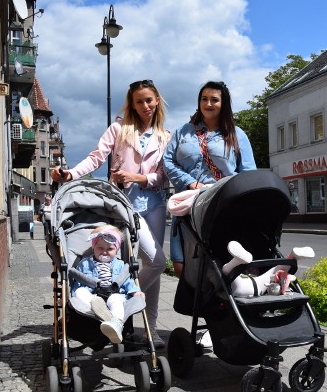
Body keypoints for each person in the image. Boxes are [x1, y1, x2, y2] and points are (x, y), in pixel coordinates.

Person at [51, 79, 168, 348]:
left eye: (149, 100)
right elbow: (96, 157)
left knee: (154, 265)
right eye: (139, 101)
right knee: (155, 261)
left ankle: (150, 328)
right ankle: (124, 301)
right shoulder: (118, 128)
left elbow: (162, 176)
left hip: (155, 205)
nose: (145, 106)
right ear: (132, 104)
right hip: (123, 206)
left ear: (157, 100)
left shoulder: (165, 136)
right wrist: (70, 174)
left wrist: (139, 177)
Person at [163, 81, 257, 277]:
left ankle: (220, 304)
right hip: (187, 203)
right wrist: (190, 182)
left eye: (214, 100)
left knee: (219, 262)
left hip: (222, 204)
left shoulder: (236, 134)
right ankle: (195, 305)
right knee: (182, 267)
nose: (208, 104)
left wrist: (225, 189)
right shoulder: (183, 132)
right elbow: (168, 161)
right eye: (204, 99)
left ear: (224, 104)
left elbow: (248, 173)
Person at [71, 225, 144, 344]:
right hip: (92, 295)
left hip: (114, 293)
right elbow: (78, 282)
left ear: (116, 250)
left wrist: (135, 291)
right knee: (79, 292)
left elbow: (127, 281)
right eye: (100, 248)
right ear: (93, 247)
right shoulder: (85, 263)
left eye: (110, 249)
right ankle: (102, 311)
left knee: (116, 299)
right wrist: (71, 295)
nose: (104, 252)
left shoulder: (120, 265)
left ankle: (116, 324)